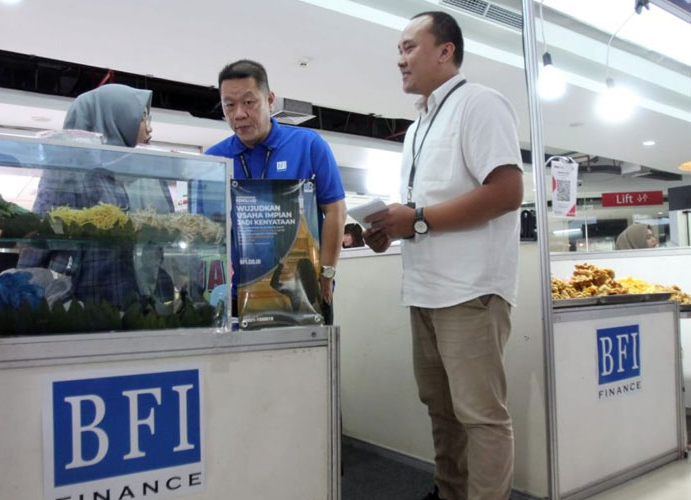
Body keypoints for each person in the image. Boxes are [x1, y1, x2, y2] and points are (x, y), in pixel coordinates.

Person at [364, 12, 523, 500]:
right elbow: (426, 209)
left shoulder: (480, 104)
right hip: (426, 289)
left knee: (481, 415)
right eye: (399, 50)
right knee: (440, 407)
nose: (400, 59)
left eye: (410, 47)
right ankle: (449, 491)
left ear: (446, 50)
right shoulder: (417, 127)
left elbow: (507, 191)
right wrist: (390, 230)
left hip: (471, 291)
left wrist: (415, 219)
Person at [205, 59, 346, 324]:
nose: (239, 114)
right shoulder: (215, 160)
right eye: (229, 105)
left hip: (307, 293)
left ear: (270, 99)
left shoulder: (308, 145)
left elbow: (335, 209)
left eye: (249, 102)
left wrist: (328, 271)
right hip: (242, 296)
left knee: (309, 364)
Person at [19, 84, 158, 307]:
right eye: (142, 119)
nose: (149, 129)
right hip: (77, 309)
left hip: (118, 303)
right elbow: (39, 239)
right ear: (113, 119)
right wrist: (21, 296)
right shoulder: (68, 169)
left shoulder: (113, 174)